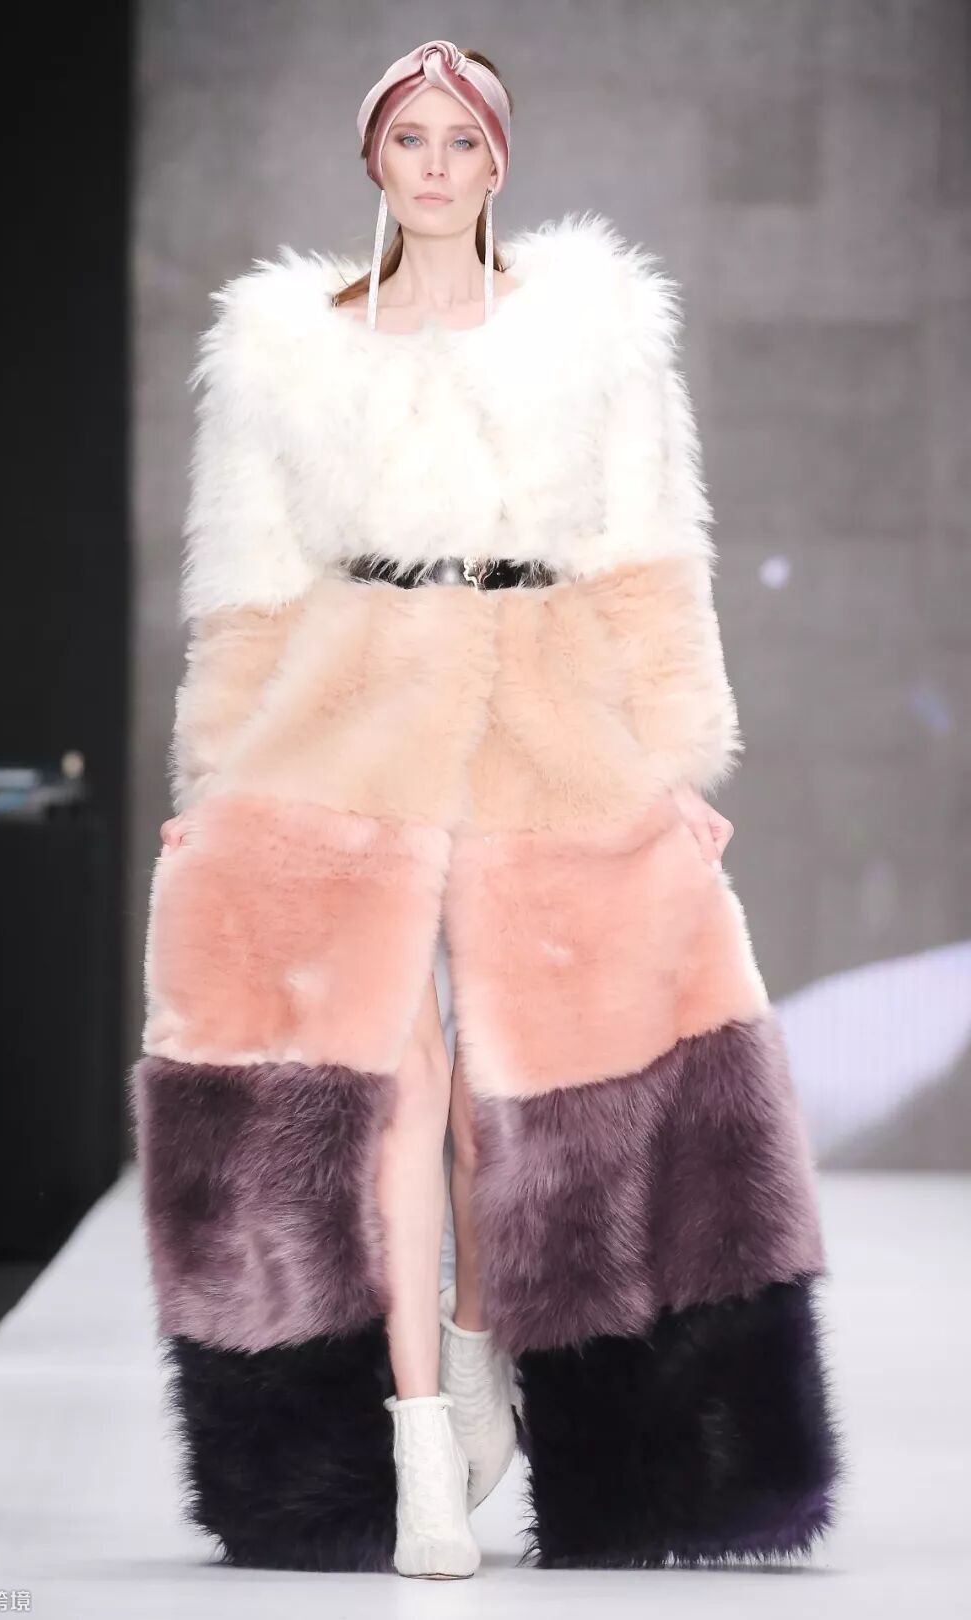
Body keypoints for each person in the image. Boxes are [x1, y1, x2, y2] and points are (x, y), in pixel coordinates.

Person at [134, 39, 841, 1581]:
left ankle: (474, 1371)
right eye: (412, 139)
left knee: (510, 1095)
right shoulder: (282, 347)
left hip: (547, 708)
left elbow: (652, 557)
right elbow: (246, 586)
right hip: (347, 713)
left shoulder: (594, 332)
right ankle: (417, 1459)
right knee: (386, 1088)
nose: (438, 166)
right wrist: (215, 786)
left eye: (463, 141)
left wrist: (677, 764)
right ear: (374, 160)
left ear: (498, 162)